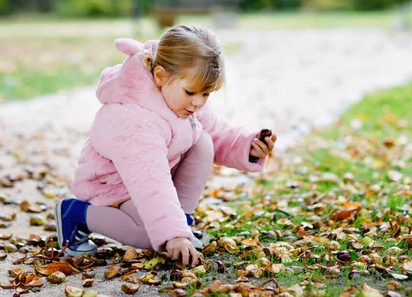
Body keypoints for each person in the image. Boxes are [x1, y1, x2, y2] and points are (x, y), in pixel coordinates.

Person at [54, 24, 276, 267]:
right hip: (113, 186)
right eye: (192, 92)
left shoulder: (182, 94)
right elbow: (151, 181)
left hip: (150, 177)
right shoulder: (133, 119)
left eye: (206, 94)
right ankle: (75, 214)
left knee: (202, 140)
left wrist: (248, 146)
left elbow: (215, 131)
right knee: (149, 235)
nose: (198, 102)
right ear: (160, 76)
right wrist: (172, 234)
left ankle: (182, 220)